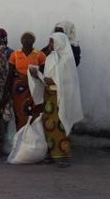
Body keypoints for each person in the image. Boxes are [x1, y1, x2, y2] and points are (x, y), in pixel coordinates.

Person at [30, 32, 84, 162]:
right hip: (49, 95)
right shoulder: (50, 58)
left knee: (60, 123)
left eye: (52, 42)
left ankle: (62, 154)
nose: (49, 44)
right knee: (49, 123)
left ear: (60, 42)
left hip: (62, 96)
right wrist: (38, 75)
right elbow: (48, 79)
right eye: (49, 41)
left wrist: (46, 79)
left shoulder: (67, 60)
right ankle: (51, 152)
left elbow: (68, 80)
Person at [7, 32, 47, 130]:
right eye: (24, 38)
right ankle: (20, 134)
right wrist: (7, 91)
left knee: (33, 110)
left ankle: (32, 136)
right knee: (19, 111)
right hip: (18, 89)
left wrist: (37, 75)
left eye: (30, 38)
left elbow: (44, 73)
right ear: (21, 41)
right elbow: (10, 74)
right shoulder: (15, 54)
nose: (27, 40)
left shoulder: (40, 55)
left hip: (34, 87)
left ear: (34, 41)